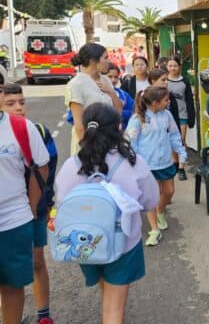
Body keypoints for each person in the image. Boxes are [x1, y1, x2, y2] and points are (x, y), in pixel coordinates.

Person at [54, 103, 159, 324]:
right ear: (119, 127)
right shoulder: (133, 162)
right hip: (124, 243)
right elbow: (151, 200)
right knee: (114, 310)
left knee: (106, 289)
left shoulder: (72, 165)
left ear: (85, 128)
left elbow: (61, 201)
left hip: (86, 244)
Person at [2, 83, 58, 324]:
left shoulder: (32, 130)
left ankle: (42, 314)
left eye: (22, 103)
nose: (19, 108)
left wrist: (37, 205)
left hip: (24, 214)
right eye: (11, 103)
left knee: (32, 265)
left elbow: (46, 170)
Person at [124, 86, 187, 247]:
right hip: (147, 165)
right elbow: (129, 143)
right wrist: (135, 163)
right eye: (166, 100)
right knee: (152, 195)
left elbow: (174, 135)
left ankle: (160, 211)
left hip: (165, 162)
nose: (169, 102)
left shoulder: (167, 115)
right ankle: (154, 229)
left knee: (169, 191)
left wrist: (181, 152)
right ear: (155, 102)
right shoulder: (137, 119)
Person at [67, 43, 124, 155]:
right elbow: (79, 125)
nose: (108, 61)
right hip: (88, 144)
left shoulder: (106, 80)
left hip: (109, 141)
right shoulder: (76, 84)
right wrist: (89, 150)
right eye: (105, 58)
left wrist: (111, 92)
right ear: (93, 61)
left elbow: (118, 111)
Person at [165, 57, 195, 180]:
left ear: (179, 66)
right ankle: (175, 163)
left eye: (175, 65)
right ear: (167, 67)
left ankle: (182, 168)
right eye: (170, 65)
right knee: (171, 141)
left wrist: (191, 117)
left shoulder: (185, 81)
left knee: (181, 141)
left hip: (182, 115)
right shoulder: (164, 81)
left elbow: (189, 100)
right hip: (168, 115)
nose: (173, 68)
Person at [105, 63, 135, 130]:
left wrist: (121, 113)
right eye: (109, 76)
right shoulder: (96, 93)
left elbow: (134, 112)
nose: (113, 80)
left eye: (116, 77)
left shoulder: (123, 94)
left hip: (123, 132)